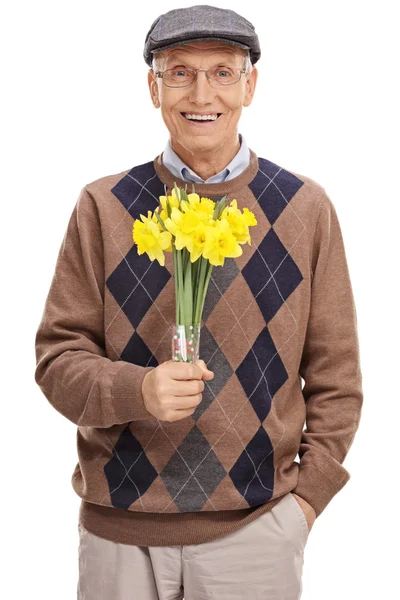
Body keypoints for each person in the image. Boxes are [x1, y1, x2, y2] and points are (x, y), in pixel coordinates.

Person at [34, 5, 363, 599]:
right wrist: (139, 390)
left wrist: (305, 506)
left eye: (222, 72)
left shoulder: (305, 209)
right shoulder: (105, 206)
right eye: (179, 72)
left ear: (251, 85)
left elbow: (337, 380)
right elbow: (57, 363)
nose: (201, 93)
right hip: (119, 538)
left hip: (256, 536)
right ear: (153, 88)